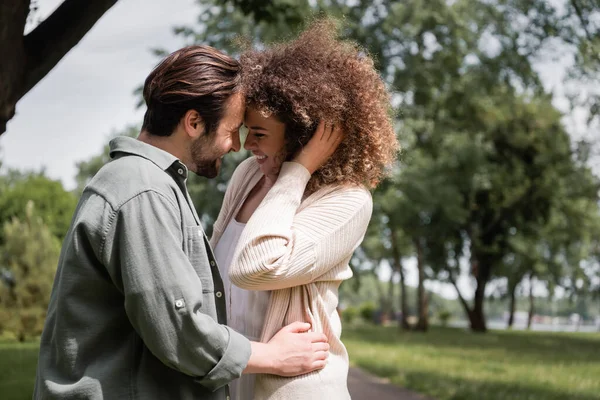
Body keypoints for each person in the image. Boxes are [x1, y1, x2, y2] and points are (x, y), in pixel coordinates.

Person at [33, 45, 330, 400]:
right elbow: (178, 329)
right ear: (193, 122)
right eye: (232, 130)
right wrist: (273, 356)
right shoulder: (143, 190)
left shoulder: (146, 184)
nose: (236, 146)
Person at [211, 20, 399, 400]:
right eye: (246, 130)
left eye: (260, 133)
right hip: (233, 383)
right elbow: (212, 270)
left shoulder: (348, 201)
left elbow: (254, 268)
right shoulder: (248, 176)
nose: (247, 145)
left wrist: (297, 170)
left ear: (303, 135)